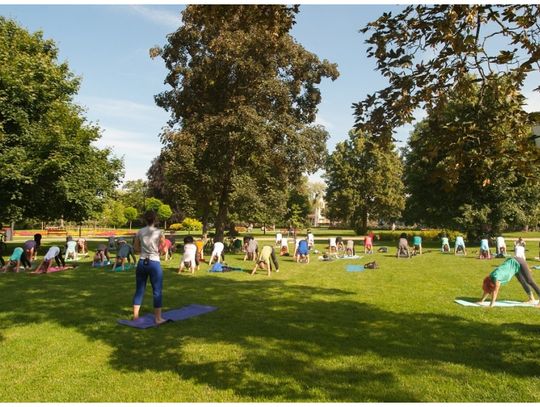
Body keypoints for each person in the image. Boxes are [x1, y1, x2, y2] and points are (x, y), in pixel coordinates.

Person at [132, 210, 166, 325]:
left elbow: (136, 248)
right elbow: (163, 247)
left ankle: (135, 317)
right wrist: (159, 251)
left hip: (142, 262)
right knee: (157, 291)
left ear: (145, 219)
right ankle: (158, 318)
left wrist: (143, 250)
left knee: (139, 290)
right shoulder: (159, 232)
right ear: (155, 219)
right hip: (154, 263)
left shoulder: (140, 231)